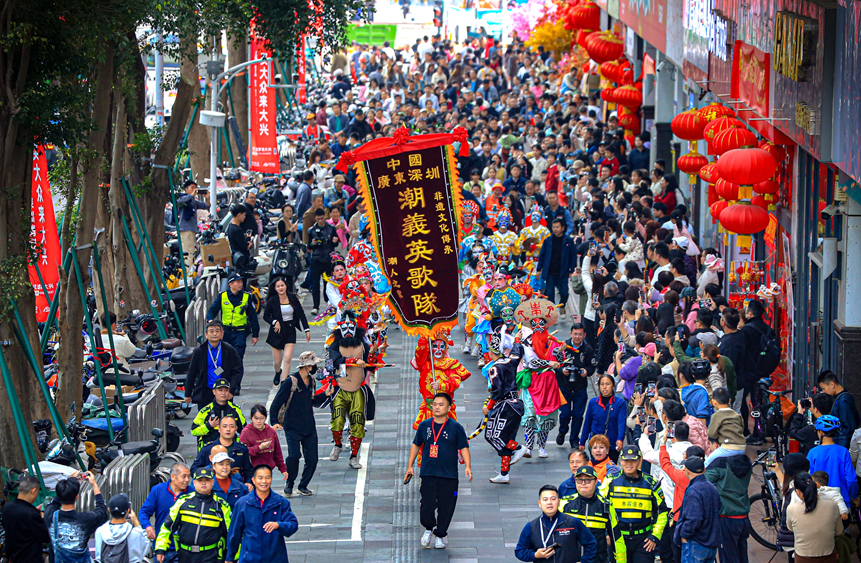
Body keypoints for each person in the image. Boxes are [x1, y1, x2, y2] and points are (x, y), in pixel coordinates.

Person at [405, 393, 473, 550]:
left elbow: (464, 447)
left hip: (449, 475)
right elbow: (416, 445)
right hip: (428, 473)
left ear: (449, 408)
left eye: (441, 404)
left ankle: (440, 535)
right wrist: (410, 466)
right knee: (426, 505)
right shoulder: (424, 425)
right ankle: (429, 528)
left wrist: (468, 466)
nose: (437, 407)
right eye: (434, 404)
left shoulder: (456, 427)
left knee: (447, 507)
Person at [269, 351, 328, 496]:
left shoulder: (312, 381)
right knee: (294, 456)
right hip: (292, 427)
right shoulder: (291, 381)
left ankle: (303, 485)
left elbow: (312, 401)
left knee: (312, 459)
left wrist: (326, 395)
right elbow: (276, 404)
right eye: (313, 365)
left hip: (309, 427)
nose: (315, 368)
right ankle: (289, 483)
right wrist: (274, 422)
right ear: (306, 366)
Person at [605, 445, 669, 563]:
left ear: (640, 461)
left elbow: (663, 512)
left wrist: (655, 536)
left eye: (633, 460)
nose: (629, 464)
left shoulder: (650, 483)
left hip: (643, 541)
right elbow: (602, 510)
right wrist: (607, 534)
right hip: (618, 539)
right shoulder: (610, 481)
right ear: (621, 461)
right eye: (626, 460)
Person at [154, 468, 231, 563]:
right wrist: (161, 549)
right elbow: (167, 527)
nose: (203, 483)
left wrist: (232, 557)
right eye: (200, 480)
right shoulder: (182, 501)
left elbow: (230, 533)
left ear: (212, 482)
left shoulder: (221, 506)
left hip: (210, 555)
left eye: (207, 480)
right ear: (194, 482)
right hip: (185, 555)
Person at [224, 465, 298, 563]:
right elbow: (235, 532)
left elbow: (292, 525)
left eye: (267, 478)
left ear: (271, 479)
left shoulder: (281, 502)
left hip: (276, 557)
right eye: (260, 478)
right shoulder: (243, 503)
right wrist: (230, 557)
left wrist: (278, 525)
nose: (264, 481)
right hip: (250, 558)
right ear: (253, 480)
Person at [483, 327, 528, 483]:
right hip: (516, 404)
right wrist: (517, 339)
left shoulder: (494, 368)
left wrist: (489, 406)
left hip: (505, 406)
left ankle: (518, 448)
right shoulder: (510, 361)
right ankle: (504, 473)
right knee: (505, 436)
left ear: (491, 351)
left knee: (493, 435)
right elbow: (518, 352)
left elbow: (497, 390)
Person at [515, 484, 598, 563]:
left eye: (553, 499)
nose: (549, 502)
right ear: (539, 504)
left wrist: (584, 561)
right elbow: (519, 551)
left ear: (558, 501)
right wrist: (535, 555)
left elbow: (591, 543)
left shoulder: (572, 522)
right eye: (545, 499)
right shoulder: (532, 526)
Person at [44, 472, 109, 563]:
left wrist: (68, 484)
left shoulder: (50, 515)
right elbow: (102, 510)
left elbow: (54, 503)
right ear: (77, 497)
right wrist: (94, 484)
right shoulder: (85, 519)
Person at [560, 466, 621, 563]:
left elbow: (616, 538)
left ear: (596, 481)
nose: (583, 483)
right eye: (579, 480)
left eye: (588, 480)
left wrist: (621, 561)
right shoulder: (565, 503)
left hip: (597, 559)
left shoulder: (606, 506)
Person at [206, 272, 260, 379]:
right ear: (230, 284)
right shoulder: (223, 296)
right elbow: (212, 310)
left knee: (237, 359)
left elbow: (253, 316)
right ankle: (223, 380)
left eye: (240, 282)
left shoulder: (246, 297)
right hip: (225, 332)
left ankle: (236, 385)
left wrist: (255, 334)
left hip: (240, 332)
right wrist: (210, 320)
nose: (240, 284)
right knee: (224, 358)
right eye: (237, 282)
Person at [705, 444, 753, 563]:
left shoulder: (720, 466)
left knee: (728, 557)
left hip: (727, 519)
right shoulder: (747, 464)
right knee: (742, 556)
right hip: (744, 518)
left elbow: (704, 482)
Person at [139, 463, 194, 562]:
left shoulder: (192, 493)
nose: (187, 480)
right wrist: (147, 526)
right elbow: (144, 512)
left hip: (184, 549)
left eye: (189, 476)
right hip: (162, 548)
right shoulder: (158, 490)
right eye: (184, 476)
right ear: (173, 476)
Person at [184, 321, 243, 409]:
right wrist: (188, 394)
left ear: (222, 333)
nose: (214, 334)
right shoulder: (199, 351)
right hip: (205, 391)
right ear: (206, 334)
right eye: (211, 331)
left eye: (217, 331)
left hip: (223, 392)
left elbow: (237, 371)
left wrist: (231, 390)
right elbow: (192, 372)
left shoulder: (229, 350)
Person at [263, 277, 310, 386]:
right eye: (278, 286)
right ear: (275, 288)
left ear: (286, 286)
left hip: (290, 329)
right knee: (278, 361)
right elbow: (266, 316)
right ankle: (277, 372)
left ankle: (284, 383)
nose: (281, 288)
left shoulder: (293, 298)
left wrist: (307, 330)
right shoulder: (272, 300)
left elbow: (301, 314)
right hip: (276, 331)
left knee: (287, 358)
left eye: (282, 285)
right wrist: (274, 321)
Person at [786, 472, 842, 563]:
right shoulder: (832, 505)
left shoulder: (792, 508)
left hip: (803, 557)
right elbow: (839, 531)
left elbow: (790, 528)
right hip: (828, 556)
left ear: (798, 492)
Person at [673, 457, 721, 563]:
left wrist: (684, 535)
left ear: (688, 471)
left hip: (695, 544)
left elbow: (694, 519)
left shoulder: (693, 491)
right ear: (703, 470)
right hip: (711, 544)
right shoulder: (712, 487)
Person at [556, 323, 596, 448]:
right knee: (565, 414)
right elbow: (554, 363)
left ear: (584, 335)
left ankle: (574, 439)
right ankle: (562, 431)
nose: (577, 337)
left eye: (580, 334)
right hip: (564, 386)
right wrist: (562, 370)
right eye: (575, 334)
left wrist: (586, 371)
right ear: (570, 334)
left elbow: (592, 365)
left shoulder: (587, 349)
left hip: (580, 387)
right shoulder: (563, 346)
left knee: (578, 415)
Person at [806, 415, 858, 507]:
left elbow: (809, 478)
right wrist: (854, 497)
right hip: (841, 502)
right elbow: (851, 479)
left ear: (821, 432)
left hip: (819, 501)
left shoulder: (812, 453)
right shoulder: (843, 451)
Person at [2, 475, 51, 563]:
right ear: (33, 491)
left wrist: (34, 511)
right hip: (30, 559)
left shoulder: (6, 508)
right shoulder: (31, 514)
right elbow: (46, 537)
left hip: (13, 558)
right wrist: (43, 516)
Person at [191, 416, 254, 483]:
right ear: (219, 428)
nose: (228, 429)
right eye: (224, 426)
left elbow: (248, 471)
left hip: (236, 487)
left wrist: (248, 483)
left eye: (231, 427)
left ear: (236, 429)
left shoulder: (242, 449)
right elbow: (194, 469)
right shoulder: (208, 449)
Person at [579, 375, 627, 462]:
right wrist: (582, 441)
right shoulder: (593, 402)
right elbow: (587, 423)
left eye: (608, 384)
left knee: (611, 468)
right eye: (602, 384)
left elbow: (621, 423)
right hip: (596, 442)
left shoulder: (620, 403)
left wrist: (620, 439)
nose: (604, 387)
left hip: (612, 442)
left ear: (613, 386)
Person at [301, 209, 340, 315]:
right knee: (315, 284)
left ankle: (328, 303)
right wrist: (312, 243)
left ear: (325, 217)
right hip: (316, 259)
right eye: (318, 219)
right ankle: (315, 306)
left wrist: (334, 241)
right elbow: (308, 246)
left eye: (322, 218)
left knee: (328, 283)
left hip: (328, 259)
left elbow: (336, 244)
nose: (320, 221)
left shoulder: (331, 228)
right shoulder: (311, 230)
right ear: (315, 218)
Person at [191, 377, 246, 450]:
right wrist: (208, 426)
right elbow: (194, 431)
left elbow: (245, 431)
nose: (223, 393)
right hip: (210, 451)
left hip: (231, 450)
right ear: (214, 392)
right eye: (220, 390)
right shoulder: (205, 411)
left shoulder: (235, 409)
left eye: (226, 390)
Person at [94, 494, 149, 563]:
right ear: (128, 510)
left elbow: (98, 557)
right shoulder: (135, 533)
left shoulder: (100, 531)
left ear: (109, 510)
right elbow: (145, 548)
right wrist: (136, 522)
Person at [239, 404, 288, 478]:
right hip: (252, 472)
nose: (259, 421)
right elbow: (242, 452)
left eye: (261, 418)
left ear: (265, 418)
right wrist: (259, 447)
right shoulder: (246, 432)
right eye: (256, 418)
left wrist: (283, 469)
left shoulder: (271, 431)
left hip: (268, 470)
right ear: (251, 418)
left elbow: (277, 452)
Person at [816, 370, 860, 449]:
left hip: (843, 444)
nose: (824, 391)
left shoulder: (843, 401)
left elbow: (848, 426)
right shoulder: (842, 398)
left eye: (824, 388)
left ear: (832, 384)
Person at [536, 218, 575, 305]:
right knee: (549, 293)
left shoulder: (568, 241)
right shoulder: (548, 241)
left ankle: (562, 305)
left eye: (557, 227)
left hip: (563, 271)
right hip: (550, 271)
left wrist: (572, 270)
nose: (555, 229)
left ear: (563, 228)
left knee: (564, 292)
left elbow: (573, 256)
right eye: (554, 227)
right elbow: (542, 255)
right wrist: (539, 269)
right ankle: (552, 311)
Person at [704, 387, 746, 467]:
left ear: (714, 402)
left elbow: (711, 433)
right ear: (729, 400)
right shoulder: (737, 415)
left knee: (707, 463)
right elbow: (741, 428)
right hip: (742, 447)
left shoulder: (716, 416)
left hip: (728, 447)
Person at [175, 180, 209, 268]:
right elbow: (179, 201)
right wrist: (191, 195)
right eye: (192, 188)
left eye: (195, 188)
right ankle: (188, 273)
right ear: (186, 189)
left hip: (192, 229)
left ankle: (188, 271)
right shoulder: (183, 198)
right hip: (185, 229)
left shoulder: (193, 201)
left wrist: (207, 197)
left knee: (190, 251)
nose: (194, 190)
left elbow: (206, 206)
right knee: (188, 252)